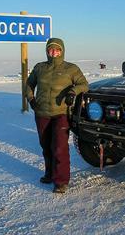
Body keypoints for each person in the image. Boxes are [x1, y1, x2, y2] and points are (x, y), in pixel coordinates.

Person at [26, 38, 88, 193]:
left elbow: (84, 84)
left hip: (61, 113)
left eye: (57, 50)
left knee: (59, 147)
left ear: (62, 51)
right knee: (46, 145)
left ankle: (61, 181)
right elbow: (28, 84)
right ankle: (49, 174)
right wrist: (31, 99)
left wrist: (72, 92)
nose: (53, 53)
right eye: (50, 50)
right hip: (42, 113)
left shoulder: (71, 69)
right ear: (47, 51)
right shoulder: (40, 68)